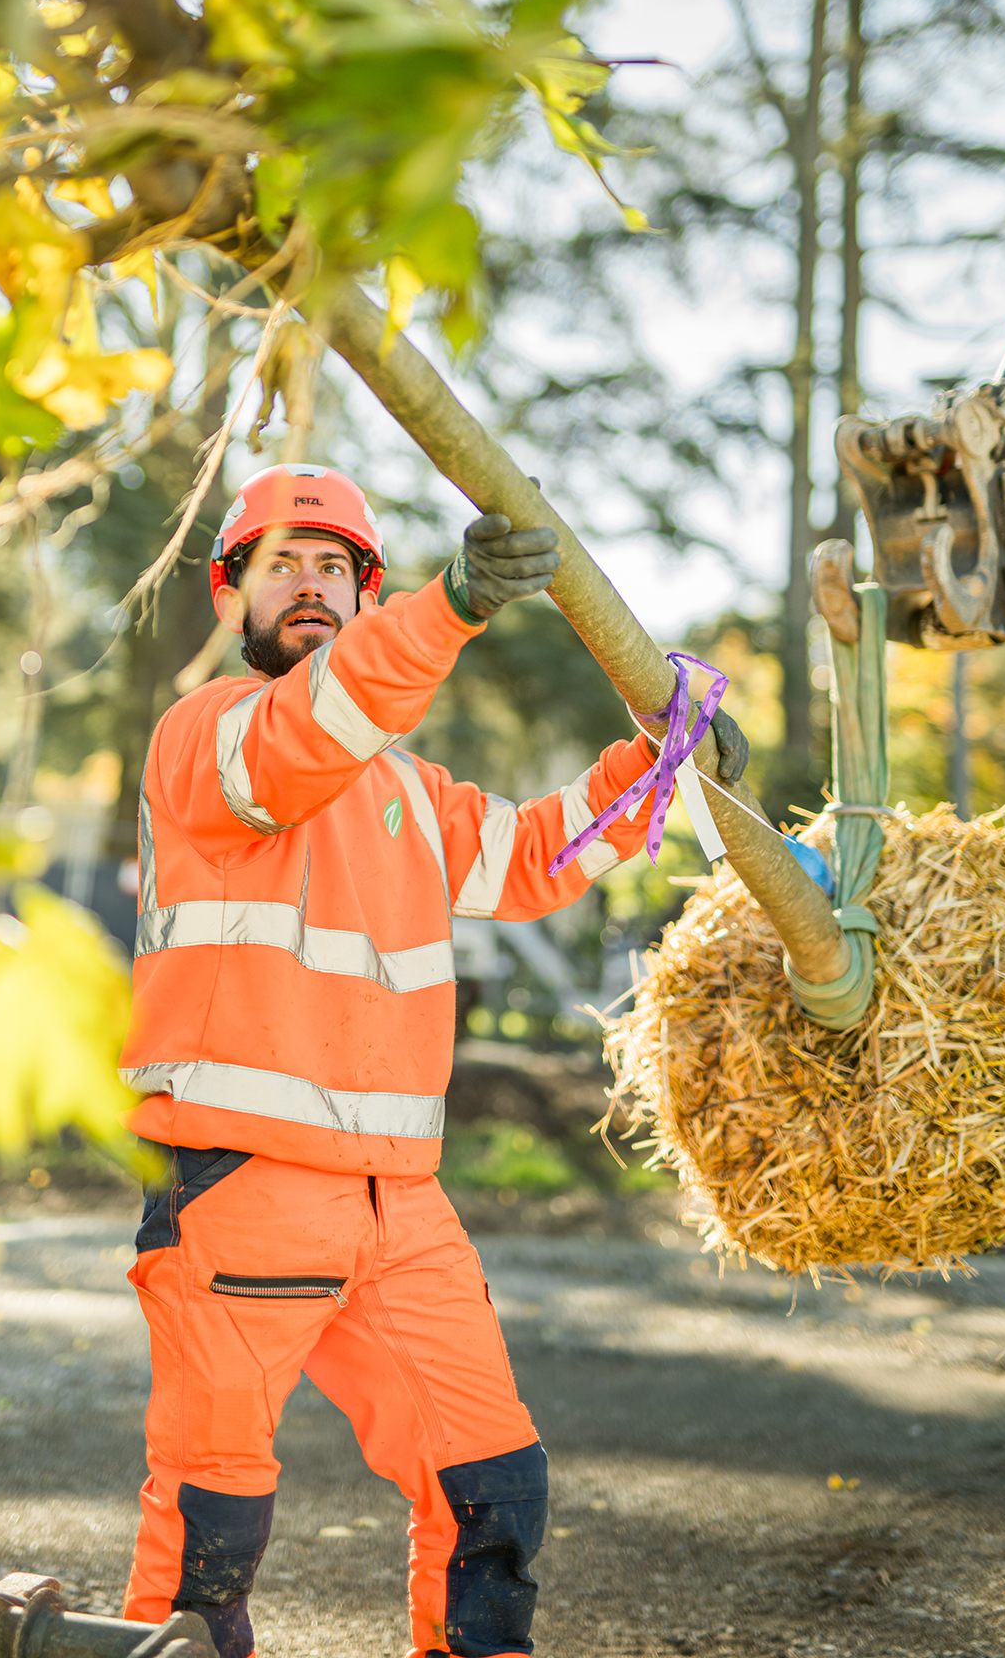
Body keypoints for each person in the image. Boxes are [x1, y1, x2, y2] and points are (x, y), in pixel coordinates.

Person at [118, 463, 748, 1658]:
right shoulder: (209, 739)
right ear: (228, 597)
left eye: (334, 568)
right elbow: (315, 728)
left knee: (491, 1495)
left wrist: (660, 761)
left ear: (364, 594)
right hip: (241, 1189)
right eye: (279, 564)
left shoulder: (406, 790)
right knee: (210, 1536)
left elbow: (528, 856)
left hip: (398, 1206)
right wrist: (448, 606)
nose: (308, 586)